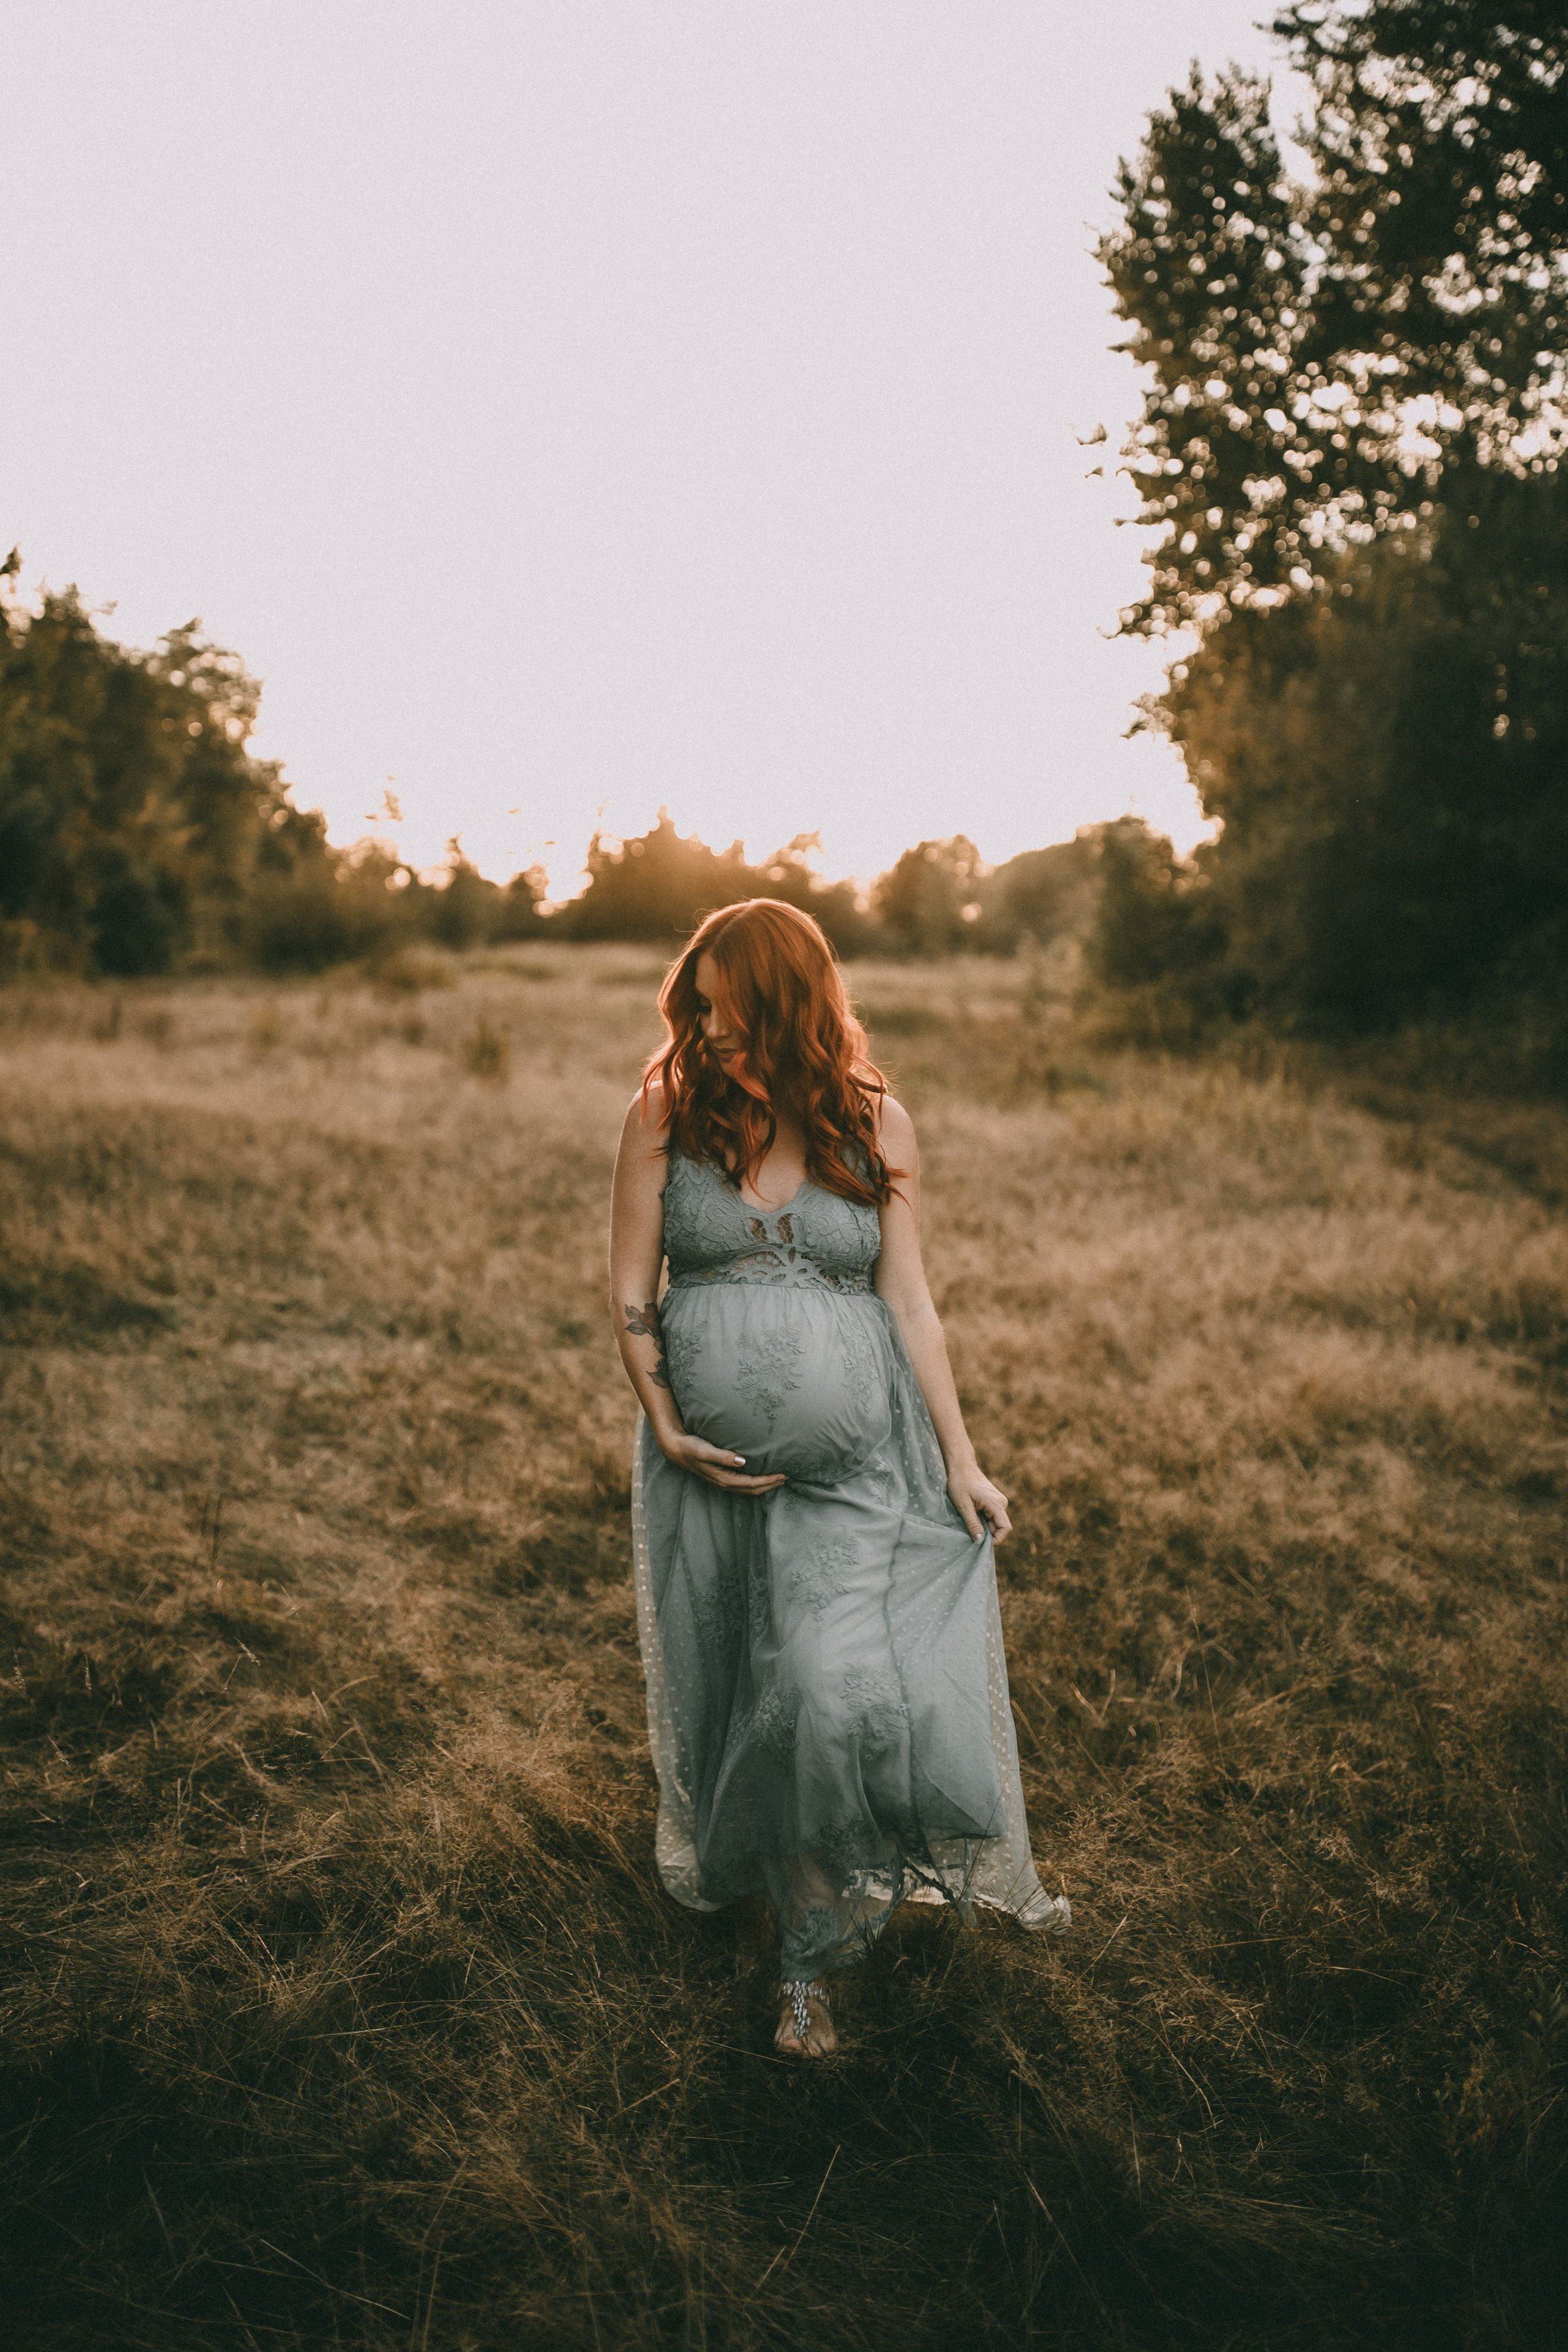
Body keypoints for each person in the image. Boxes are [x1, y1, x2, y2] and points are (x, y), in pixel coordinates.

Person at [608, 898, 1070, 2059]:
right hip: (707, 1478)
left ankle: (809, 1971)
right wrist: (665, 1422)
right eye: (695, 1005)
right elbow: (628, 1288)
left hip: (859, 1467)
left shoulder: (876, 1126)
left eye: (724, 1006)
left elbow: (907, 1298)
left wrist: (960, 1456)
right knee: (737, 1695)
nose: (704, 1025)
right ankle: (785, 1882)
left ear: (784, 1002)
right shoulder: (665, 1108)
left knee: (820, 1687)